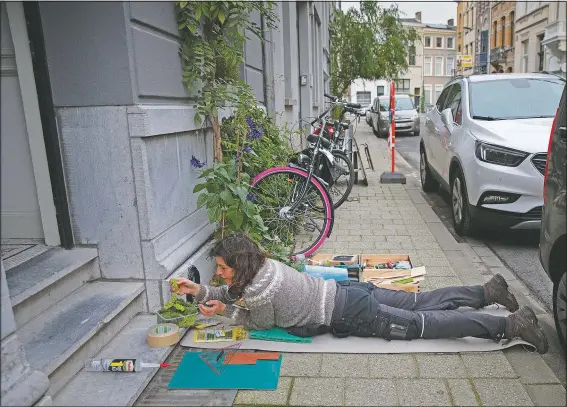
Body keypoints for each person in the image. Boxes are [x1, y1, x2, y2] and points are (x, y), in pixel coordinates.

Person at [172, 233, 548, 354]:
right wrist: (204, 289)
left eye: (221, 268)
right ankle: (488, 290)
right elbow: (235, 291)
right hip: (347, 291)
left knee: (424, 324)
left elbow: (256, 323)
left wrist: (220, 311)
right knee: (420, 300)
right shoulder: (262, 267)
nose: (218, 273)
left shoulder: (257, 290)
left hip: (351, 313)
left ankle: (510, 326)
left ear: (239, 265)